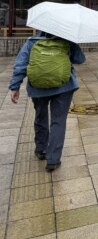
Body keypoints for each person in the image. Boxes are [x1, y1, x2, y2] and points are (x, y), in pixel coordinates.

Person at [9, 31, 86, 171]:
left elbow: (20, 64)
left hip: (38, 87)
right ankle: (53, 160)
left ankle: (41, 149)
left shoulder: (32, 41)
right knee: (58, 121)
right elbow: (80, 59)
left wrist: (15, 86)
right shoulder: (67, 40)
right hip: (64, 87)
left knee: (40, 115)